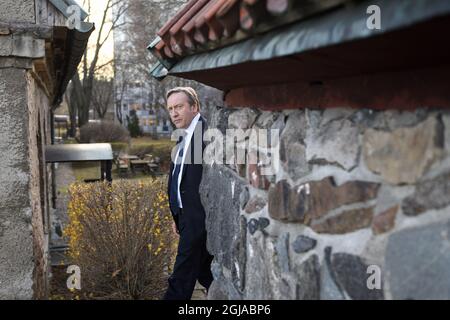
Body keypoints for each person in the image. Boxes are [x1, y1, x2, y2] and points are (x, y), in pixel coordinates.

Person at [163, 87, 214, 300]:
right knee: (206, 272)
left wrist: (189, 215)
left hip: (197, 219)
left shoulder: (207, 134)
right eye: (171, 108)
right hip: (185, 217)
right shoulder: (184, 134)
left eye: (179, 107)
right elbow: (180, 176)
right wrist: (177, 212)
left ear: (194, 107)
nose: (174, 113)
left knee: (181, 278)